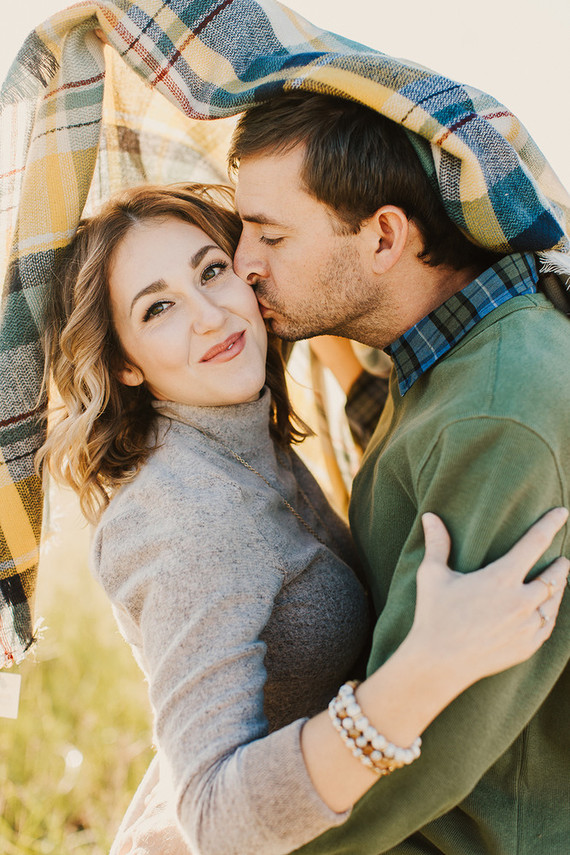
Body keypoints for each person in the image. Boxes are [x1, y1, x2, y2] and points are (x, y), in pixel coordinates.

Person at [37, 181, 568, 855]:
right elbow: (213, 821)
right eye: (159, 308)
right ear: (123, 363)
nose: (208, 314)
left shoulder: (242, 439)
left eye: (211, 270)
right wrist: (428, 668)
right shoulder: (179, 516)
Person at [226, 93, 570, 854]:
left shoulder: (494, 412)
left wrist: (240, 842)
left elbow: (432, 747)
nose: (244, 263)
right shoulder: (441, 356)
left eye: (271, 235)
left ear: (384, 236)